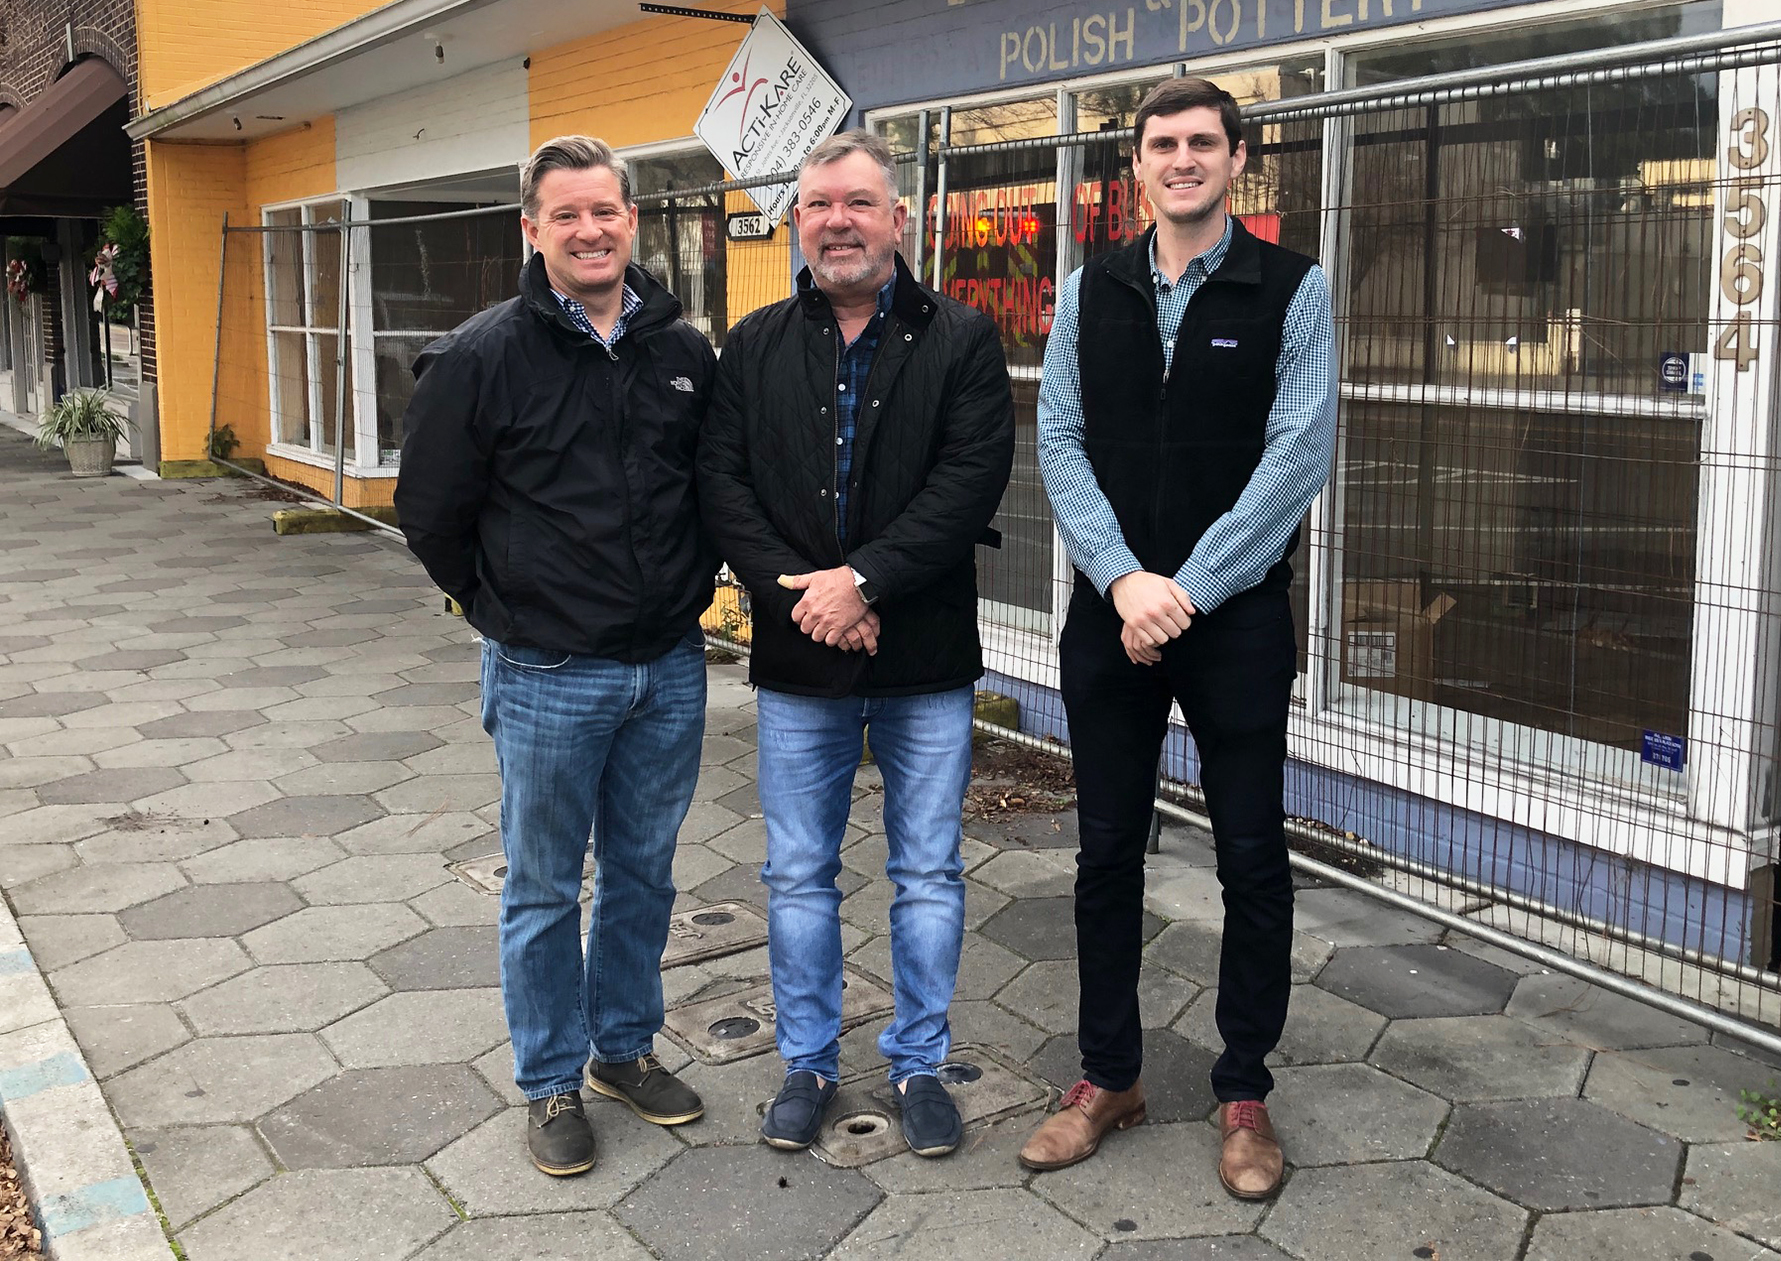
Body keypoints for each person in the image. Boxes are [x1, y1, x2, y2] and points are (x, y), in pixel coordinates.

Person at [1021, 78, 1335, 1200]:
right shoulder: (1086, 289)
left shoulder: (1289, 289)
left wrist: (1184, 592)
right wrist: (1121, 582)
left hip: (1233, 620)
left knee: (1250, 855)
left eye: (1203, 140)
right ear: (1136, 165)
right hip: (1111, 621)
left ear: (1237, 158)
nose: (1182, 158)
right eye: (1162, 143)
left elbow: (1295, 456)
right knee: (1104, 851)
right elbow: (1058, 441)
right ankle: (1109, 1076)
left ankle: (1241, 1091)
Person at [395, 134, 718, 1178]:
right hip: (546, 675)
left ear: (632, 221)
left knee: (643, 876)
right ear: (531, 229)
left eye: (606, 212)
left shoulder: (680, 351)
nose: (590, 230)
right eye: (566, 215)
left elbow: (707, 490)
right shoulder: (483, 355)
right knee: (542, 887)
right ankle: (548, 1083)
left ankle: (623, 1048)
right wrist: (503, 611)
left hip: (667, 668)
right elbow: (431, 512)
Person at [699, 128, 1013, 1160]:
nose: (838, 220)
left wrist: (864, 581)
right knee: (797, 875)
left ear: (899, 218)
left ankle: (920, 1063)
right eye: (820, 203)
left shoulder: (962, 340)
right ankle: (808, 1063)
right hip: (799, 662)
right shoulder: (750, 345)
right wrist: (810, 603)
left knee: (927, 872)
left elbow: (967, 483)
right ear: (799, 219)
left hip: (923, 658)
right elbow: (723, 487)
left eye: (858, 202)